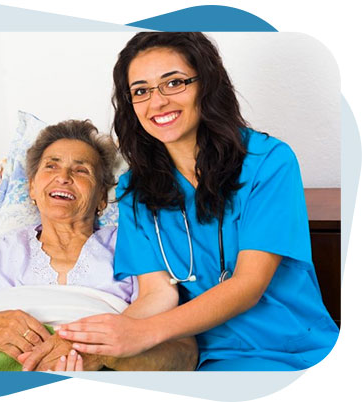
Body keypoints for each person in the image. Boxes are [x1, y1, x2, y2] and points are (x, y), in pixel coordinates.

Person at [55, 32, 339, 371]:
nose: (157, 102)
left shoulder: (270, 162)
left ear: (206, 84)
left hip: (291, 350)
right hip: (208, 359)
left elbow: (248, 285)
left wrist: (142, 333)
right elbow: (157, 294)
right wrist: (91, 343)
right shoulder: (135, 189)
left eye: (173, 83)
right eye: (141, 91)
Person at [0, 119, 197, 371]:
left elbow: (184, 355)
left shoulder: (138, 253)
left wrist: (98, 351)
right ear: (33, 188)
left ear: (101, 198)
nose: (64, 177)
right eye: (52, 166)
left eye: (81, 171)